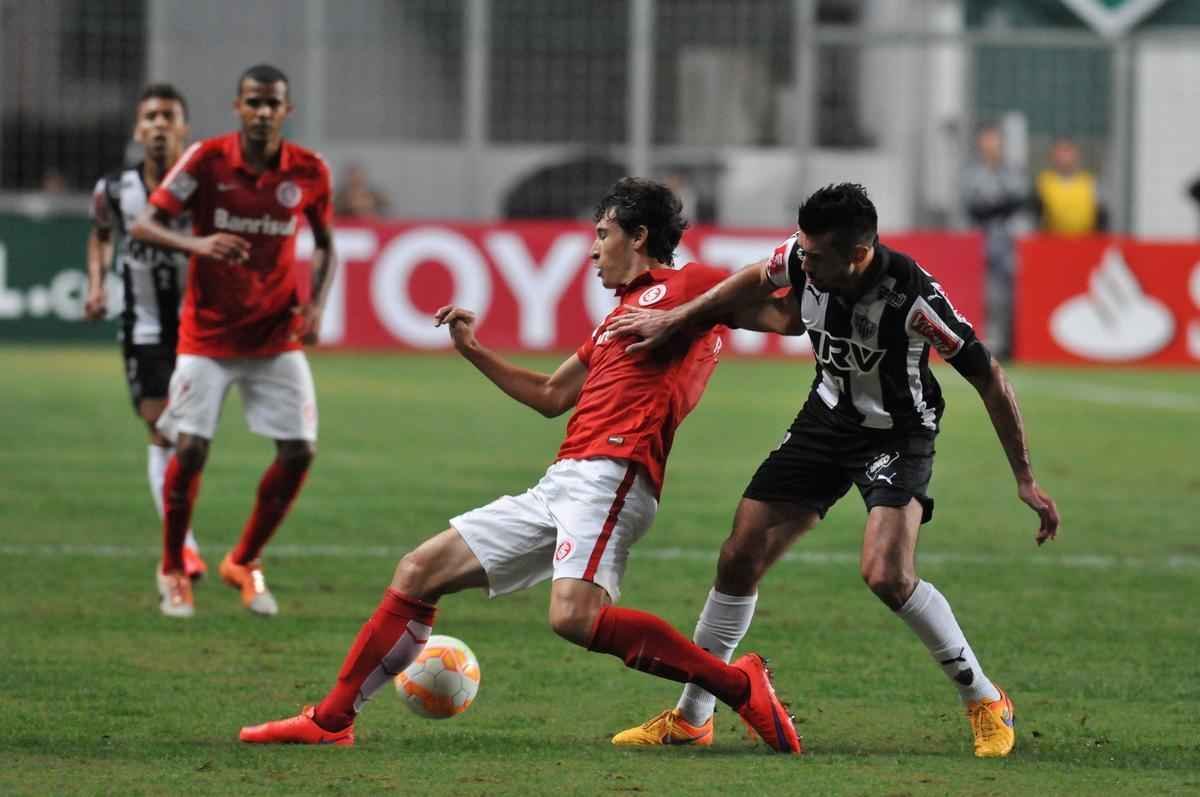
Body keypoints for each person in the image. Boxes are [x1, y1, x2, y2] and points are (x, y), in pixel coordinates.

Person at [237, 178, 803, 753]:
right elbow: (552, 395)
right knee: (418, 572)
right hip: (562, 481)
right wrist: (473, 349)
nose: (591, 250)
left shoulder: (687, 285)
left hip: (614, 474)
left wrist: (799, 264)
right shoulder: (617, 317)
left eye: (602, 234)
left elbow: (785, 316)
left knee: (574, 618)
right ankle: (331, 720)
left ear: (639, 236)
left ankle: (736, 684)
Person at [606, 183, 1060, 758]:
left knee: (886, 575)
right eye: (802, 249)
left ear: (859, 254)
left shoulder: (914, 299)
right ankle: (693, 716)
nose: (803, 262)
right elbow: (754, 278)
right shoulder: (804, 257)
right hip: (825, 422)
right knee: (738, 555)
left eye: (816, 256)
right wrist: (677, 320)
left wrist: (1024, 476)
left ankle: (986, 700)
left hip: (898, 434)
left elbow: (988, 376)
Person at [130, 64, 337, 619]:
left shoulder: (311, 170)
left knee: (299, 452)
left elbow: (325, 244)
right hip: (208, 336)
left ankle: (243, 561)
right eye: (254, 102)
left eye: (273, 104)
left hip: (275, 335)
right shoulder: (205, 159)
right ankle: (174, 567)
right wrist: (197, 245)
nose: (264, 112)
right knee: (191, 447)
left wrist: (315, 304)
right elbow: (146, 224)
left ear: (286, 111)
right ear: (238, 107)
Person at [83, 83, 207, 579]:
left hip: (202, 328)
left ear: (184, 128)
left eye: (168, 116)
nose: (159, 124)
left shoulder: (205, 188)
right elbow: (100, 236)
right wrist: (96, 285)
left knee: (190, 436)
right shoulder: (114, 190)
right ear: (139, 129)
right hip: (146, 327)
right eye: (150, 117)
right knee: (161, 432)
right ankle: (186, 546)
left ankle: (181, 543)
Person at [961, 124, 1027, 360]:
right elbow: (974, 207)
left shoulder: (1011, 172)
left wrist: (994, 206)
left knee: (1007, 296)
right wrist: (997, 206)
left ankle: (1007, 344)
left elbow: (1018, 201)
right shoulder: (973, 173)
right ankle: (982, 343)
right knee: (985, 296)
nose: (991, 147)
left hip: (1005, 242)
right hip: (980, 242)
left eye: (995, 142)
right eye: (987, 142)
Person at [1034, 137, 1107, 236]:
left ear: (1077, 154)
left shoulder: (1090, 182)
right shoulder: (1043, 183)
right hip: (1053, 242)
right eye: (1059, 152)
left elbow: (1102, 215)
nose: (1063, 156)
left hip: (1086, 241)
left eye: (1067, 151)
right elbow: (1036, 216)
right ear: (1052, 156)